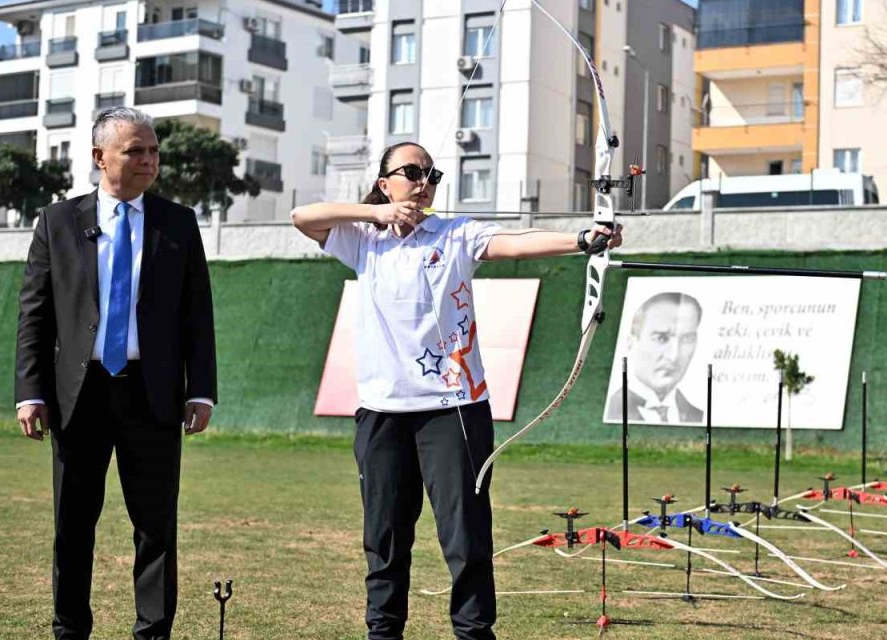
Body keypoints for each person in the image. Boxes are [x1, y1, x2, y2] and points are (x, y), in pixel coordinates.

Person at [290, 141, 622, 640]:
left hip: (454, 408)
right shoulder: (362, 239)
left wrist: (582, 239)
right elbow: (302, 215)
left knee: (465, 537)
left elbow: (516, 240)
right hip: (382, 411)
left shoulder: (457, 233)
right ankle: (382, 633)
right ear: (385, 183)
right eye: (411, 172)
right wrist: (376, 214)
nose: (424, 181)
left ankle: (473, 632)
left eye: (432, 174)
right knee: (384, 537)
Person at [14, 106, 217, 640]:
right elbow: (34, 314)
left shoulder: (178, 222)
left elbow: (198, 313)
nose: (149, 160)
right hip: (77, 396)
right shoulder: (58, 222)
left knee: (156, 529)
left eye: (153, 151)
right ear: (100, 157)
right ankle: (69, 629)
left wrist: (202, 391)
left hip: (152, 397)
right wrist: (30, 392)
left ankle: (152, 633)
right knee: (72, 527)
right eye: (135, 151)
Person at [606, 291, 703, 424]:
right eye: (661, 338)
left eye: (687, 339)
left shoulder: (699, 417)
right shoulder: (611, 410)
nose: (673, 356)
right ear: (631, 345)